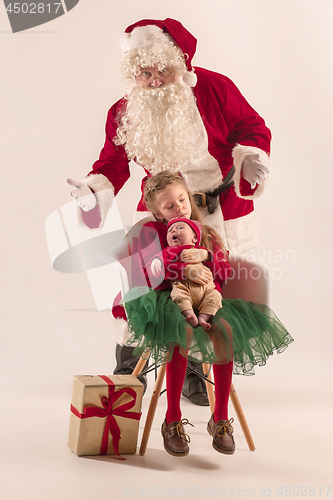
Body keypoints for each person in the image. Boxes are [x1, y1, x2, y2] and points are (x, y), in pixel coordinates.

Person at [67, 18, 272, 405]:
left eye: (163, 69)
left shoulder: (214, 88)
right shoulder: (124, 111)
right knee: (140, 286)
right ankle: (129, 368)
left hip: (216, 212)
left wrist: (248, 159)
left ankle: (196, 371)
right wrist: (92, 192)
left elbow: (252, 127)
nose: (156, 80)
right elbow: (112, 164)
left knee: (207, 290)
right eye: (145, 73)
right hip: (159, 213)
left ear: (180, 62)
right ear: (134, 74)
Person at [122, 171, 293, 457]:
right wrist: (182, 269)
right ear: (156, 211)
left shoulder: (208, 233)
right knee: (182, 331)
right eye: (170, 206)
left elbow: (224, 275)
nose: (180, 208)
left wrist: (208, 258)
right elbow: (147, 273)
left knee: (225, 330)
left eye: (182, 199)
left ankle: (221, 418)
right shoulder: (154, 234)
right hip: (166, 299)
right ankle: (172, 419)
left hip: (206, 298)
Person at [151, 217, 224, 330]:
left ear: (194, 238)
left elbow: (221, 269)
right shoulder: (171, 250)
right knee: (179, 294)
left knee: (216, 296)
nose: (174, 231)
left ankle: (204, 317)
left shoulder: (201, 250)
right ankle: (190, 314)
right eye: (170, 231)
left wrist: (207, 255)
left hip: (207, 290)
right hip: (183, 286)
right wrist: (157, 260)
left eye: (180, 228)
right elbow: (162, 258)